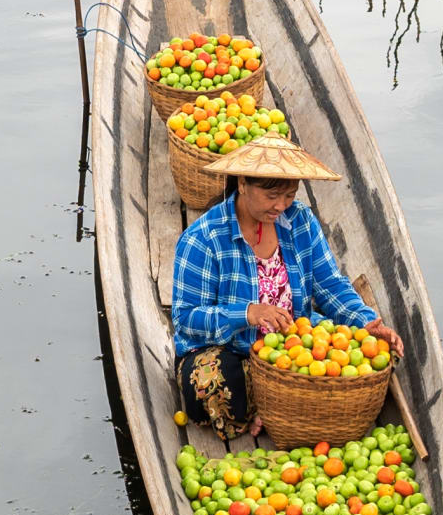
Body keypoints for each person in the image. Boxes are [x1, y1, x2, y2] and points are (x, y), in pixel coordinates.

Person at [167, 135, 399, 440]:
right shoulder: (204, 238)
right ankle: (284, 407)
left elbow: (329, 285)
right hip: (232, 351)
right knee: (215, 382)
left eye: (289, 195)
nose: (281, 206)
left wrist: (365, 322)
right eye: (272, 195)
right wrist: (247, 314)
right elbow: (186, 318)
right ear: (242, 184)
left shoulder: (300, 220)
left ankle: (279, 407)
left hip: (292, 348)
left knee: (343, 366)